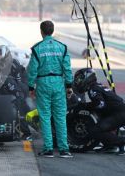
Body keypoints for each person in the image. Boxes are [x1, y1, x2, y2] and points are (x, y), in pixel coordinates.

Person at [27, 20, 73, 158]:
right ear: (52, 31)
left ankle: (48, 149)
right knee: (60, 117)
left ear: (41, 31)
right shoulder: (62, 47)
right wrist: (69, 86)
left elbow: (32, 70)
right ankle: (64, 149)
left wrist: (31, 87)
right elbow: (67, 68)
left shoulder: (37, 48)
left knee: (45, 117)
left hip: (42, 83)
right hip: (59, 82)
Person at [73, 68, 125, 155]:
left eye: (80, 79)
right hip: (118, 111)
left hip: (119, 114)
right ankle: (110, 146)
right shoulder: (98, 86)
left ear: (87, 78)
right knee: (100, 124)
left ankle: (121, 142)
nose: (78, 82)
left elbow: (100, 104)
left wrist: (85, 106)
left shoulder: (93, 89)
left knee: (94, 131)